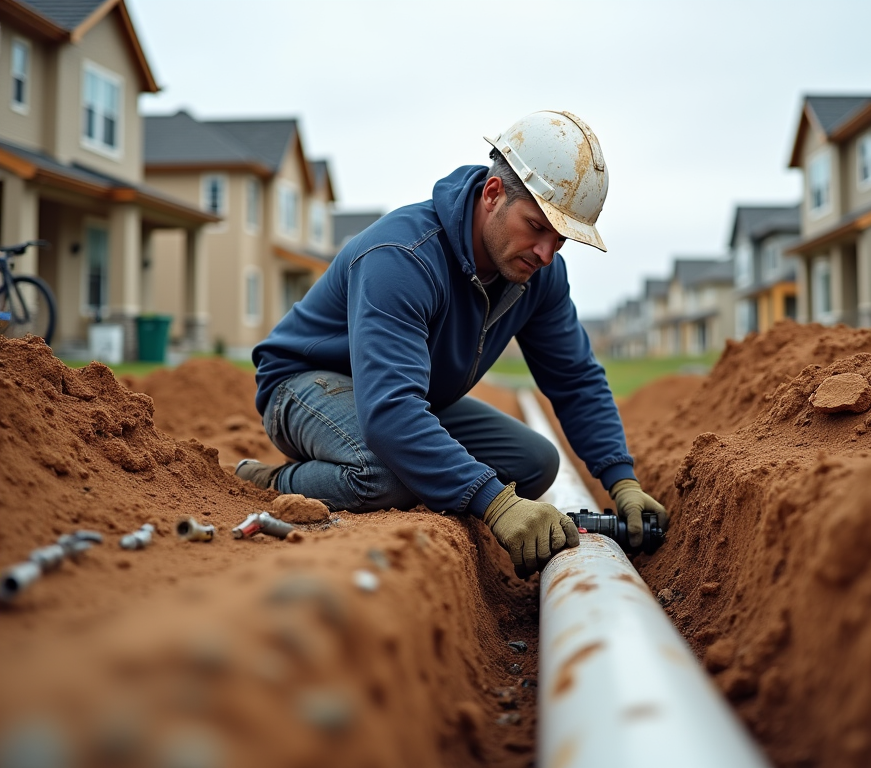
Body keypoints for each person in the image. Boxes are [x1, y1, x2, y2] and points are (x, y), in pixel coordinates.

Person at [239, 110, 667, 578]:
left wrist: (621, 480)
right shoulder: (401, 258)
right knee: (383, 474)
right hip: (303, 384)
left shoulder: (538, 275)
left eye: (561, 239)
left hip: (400, 393)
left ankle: (415, 469)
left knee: (534, 463)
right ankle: (277, 479)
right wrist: (495, 504)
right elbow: (390, 411)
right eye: (538, 227)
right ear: (492, 194)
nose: (547, 253)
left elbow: (576, 378)